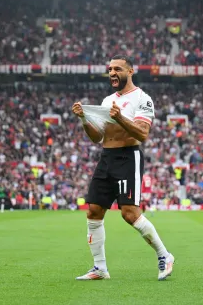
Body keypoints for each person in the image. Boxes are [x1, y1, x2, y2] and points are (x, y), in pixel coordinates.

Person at [72, 55, 175, 281]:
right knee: (94, 212)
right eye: (109, 69)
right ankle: (100, 268)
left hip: (128, 157)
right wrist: (84, 119)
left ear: (130, 71)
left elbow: (142, 134)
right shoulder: (107, 100)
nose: (112, 73)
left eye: (117, 68)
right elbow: (97, 137)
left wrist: (119, 118)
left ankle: (165, 255)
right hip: (106, 157)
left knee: (129, 214)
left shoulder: (143, 99)